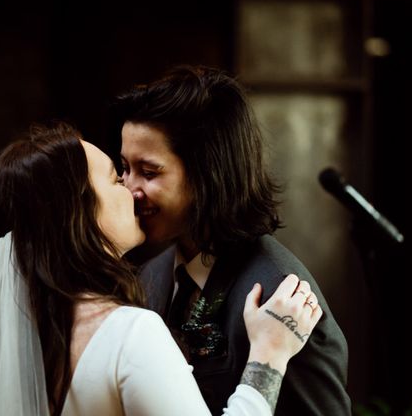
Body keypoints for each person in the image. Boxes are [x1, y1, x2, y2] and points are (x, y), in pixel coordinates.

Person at [0, 122, 324, 416]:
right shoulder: (129, 333)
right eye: (116, 176)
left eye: (143, 172)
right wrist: (269, 355)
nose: (131, 190)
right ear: (81, 213)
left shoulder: (23, 330)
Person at [113, 66, 352, 415]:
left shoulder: (281, 300)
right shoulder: (149, 274)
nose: (130, 190)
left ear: (208, 174)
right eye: (124, 168)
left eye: (149, 173)